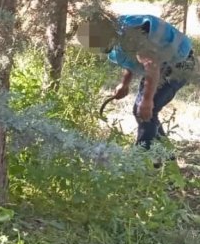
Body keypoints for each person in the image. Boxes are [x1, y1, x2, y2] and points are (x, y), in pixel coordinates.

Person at [77, 12, 195, 153]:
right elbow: (133, 58)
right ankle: (165, 157)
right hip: (162, 64)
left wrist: (147, 100)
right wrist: (124, 83)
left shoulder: (133, 34)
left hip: (180, 65)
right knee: (141, 111)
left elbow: (151, 65)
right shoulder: (118, 31)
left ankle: (144, 157)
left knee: (146, 110)